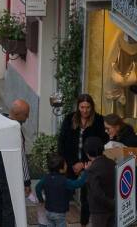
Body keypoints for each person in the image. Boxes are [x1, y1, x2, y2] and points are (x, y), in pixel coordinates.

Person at [58, 93, 107, 226]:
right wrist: (72, 163)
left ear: (92, 107)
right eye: (82, 107)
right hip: (70, 163)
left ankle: (83, 224)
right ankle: (60, 222)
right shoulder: (69, 119)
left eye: (88, 107)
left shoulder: (98, 120)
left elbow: (101, 144)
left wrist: (85, 163)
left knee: (86, 197)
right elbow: (62, 142)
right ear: (78, 107)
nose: (85, 111)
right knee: (65, 194)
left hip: (89, 164)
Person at [0, 99, 31, 227]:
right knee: (10, 208)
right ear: (18, 115)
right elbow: (22, 159)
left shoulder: (0, 122)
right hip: (10, 175)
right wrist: (26, 181)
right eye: (26, 114)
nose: (27, 117)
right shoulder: (15, 130)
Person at [36, 153, 87, 227]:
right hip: (59, 213)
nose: (67, 166)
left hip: (48, 211)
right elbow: (78, 184)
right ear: (61, 169)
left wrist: (41, 200)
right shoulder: (64, 181)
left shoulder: (45, 178)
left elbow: (37, 188)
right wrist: (86, 172)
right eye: (65, 164)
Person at [84, 137, 115, 227]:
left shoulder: (92, 169)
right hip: (113, 209)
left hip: (98, 211)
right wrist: (113, 203)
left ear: (87, 153)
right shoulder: (112, 163)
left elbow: (96, 193)